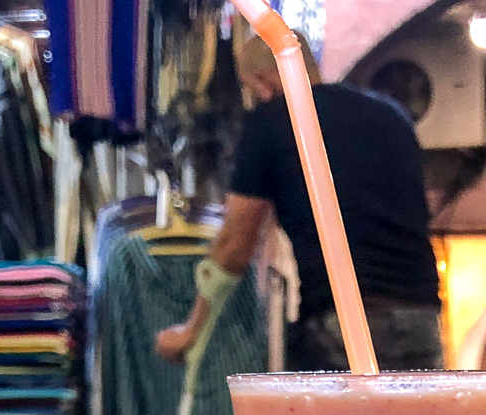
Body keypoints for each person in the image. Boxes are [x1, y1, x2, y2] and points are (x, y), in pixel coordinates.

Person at [155, 33, 444, 371]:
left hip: (339, 319)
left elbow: (234, 244)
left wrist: (190, 332)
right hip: (421, 316)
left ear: (263, 84)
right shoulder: (392, 115)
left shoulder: (272, 119)